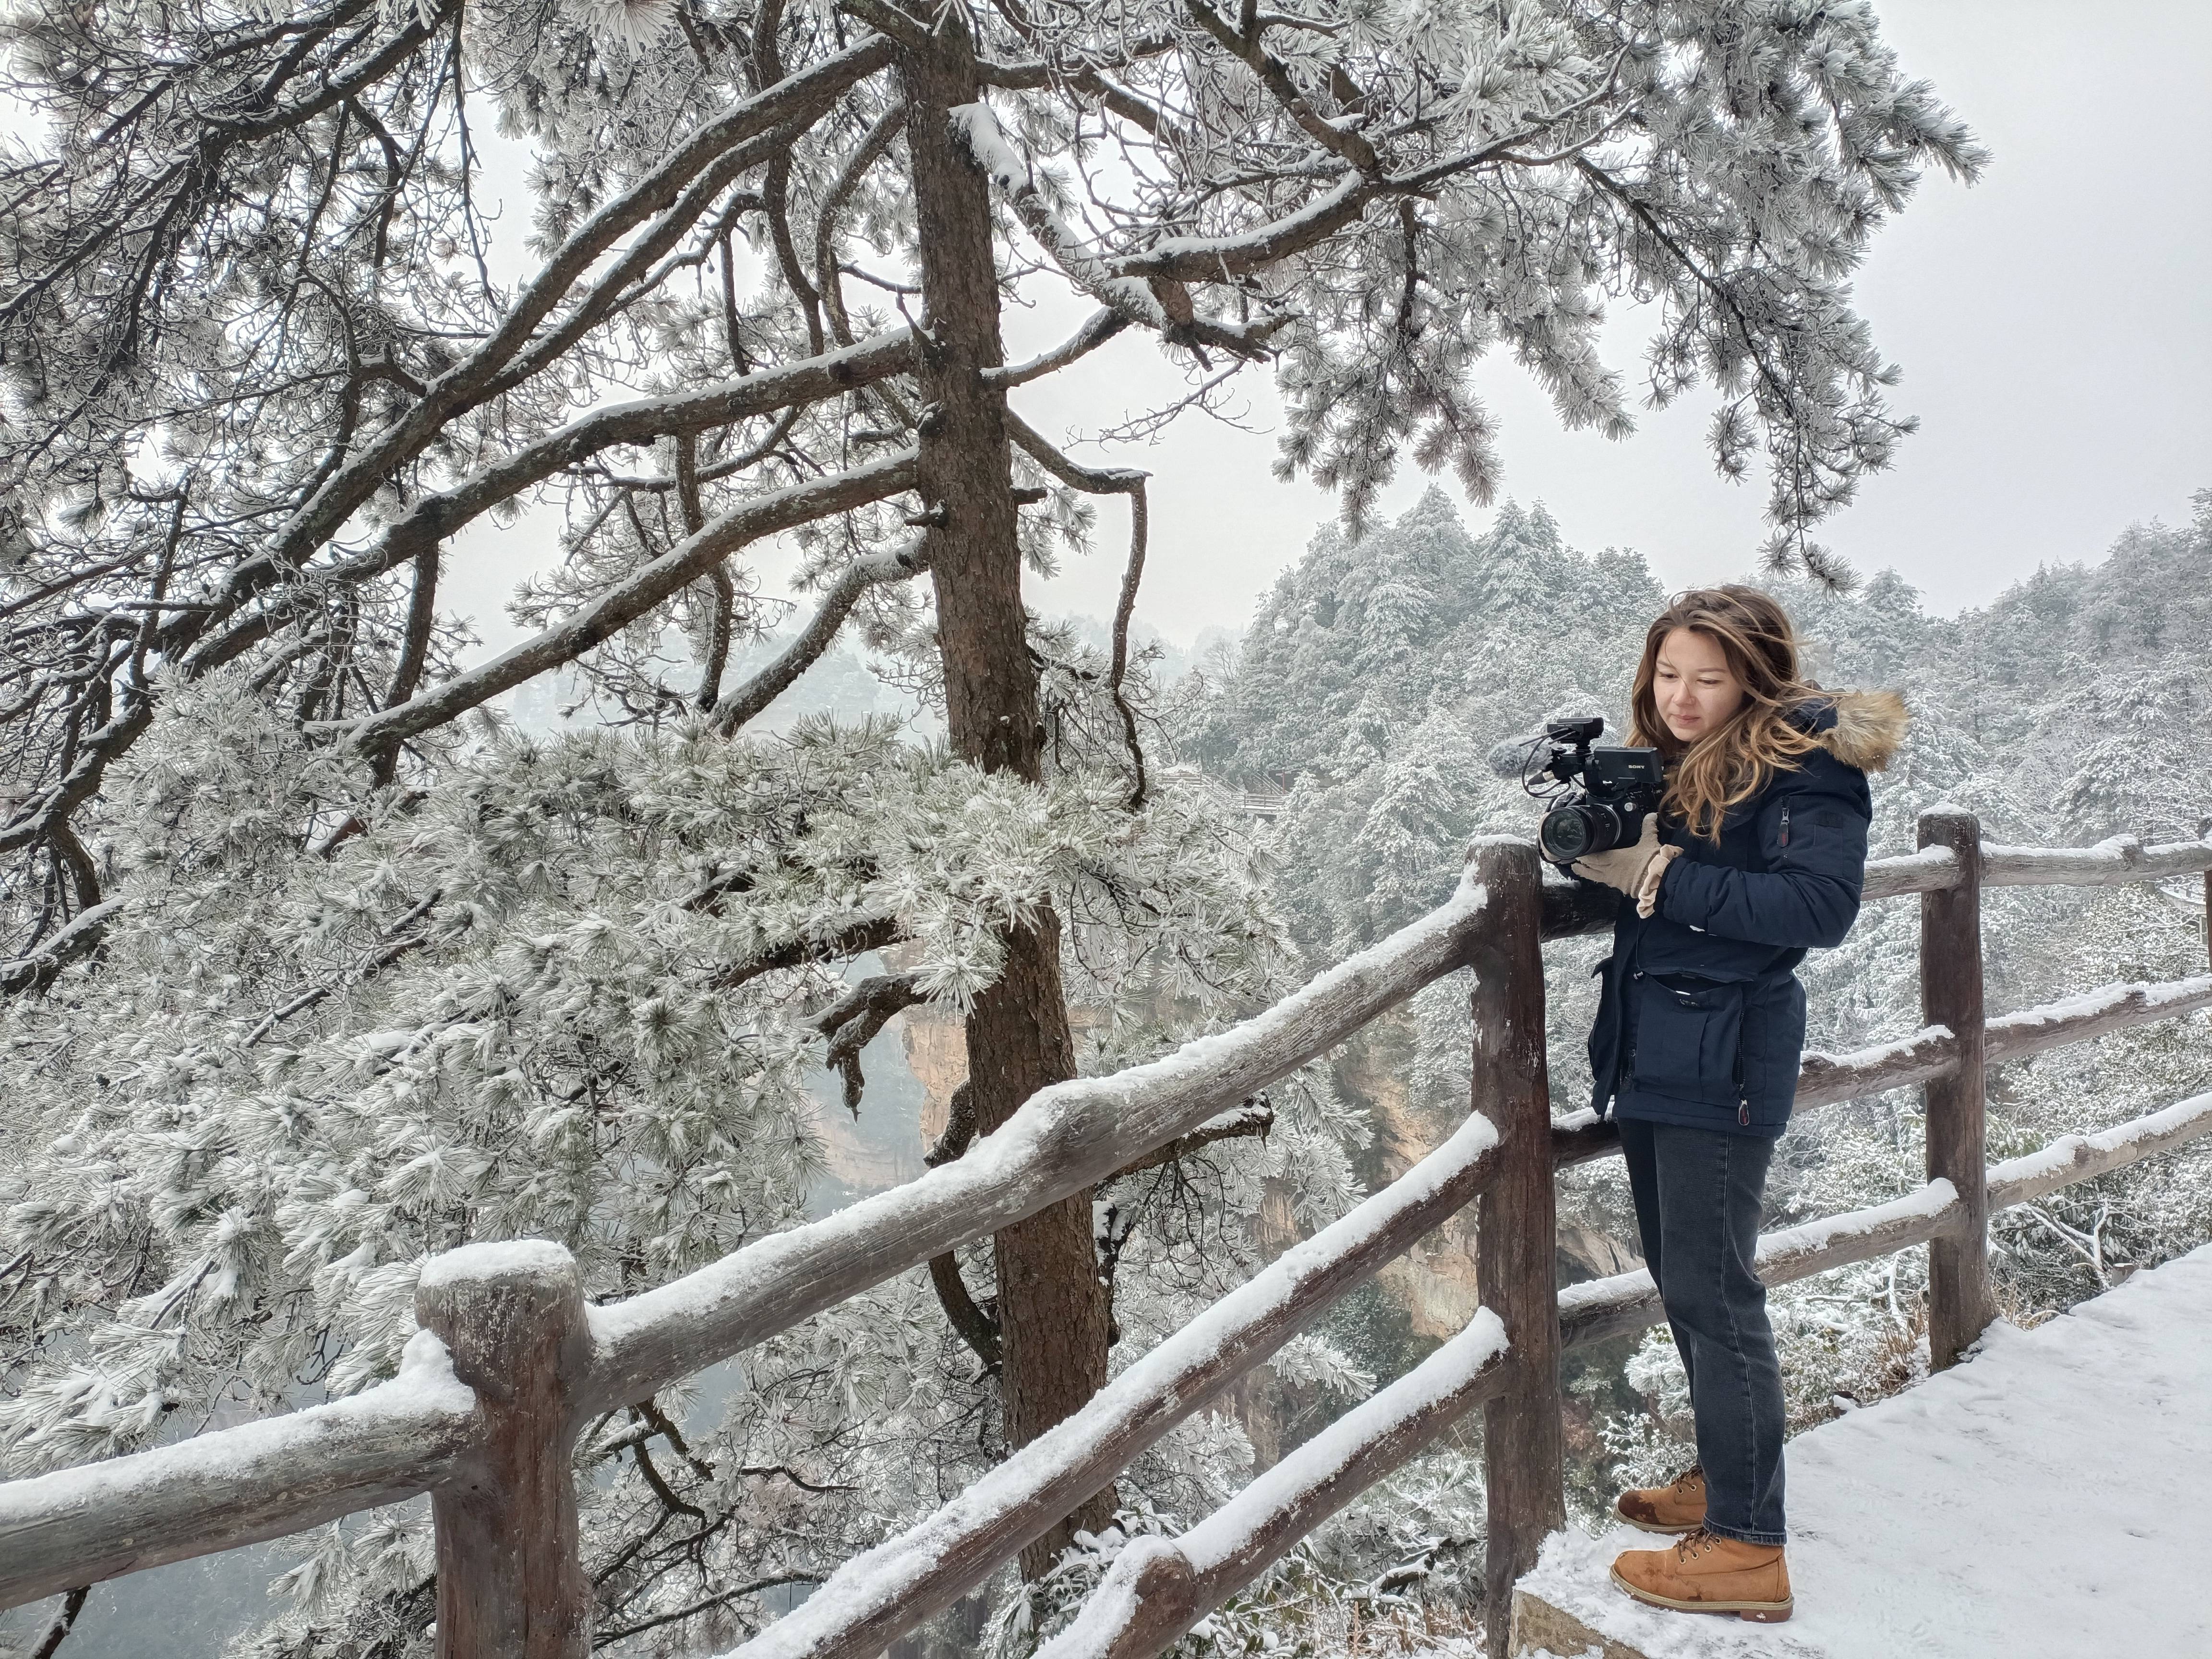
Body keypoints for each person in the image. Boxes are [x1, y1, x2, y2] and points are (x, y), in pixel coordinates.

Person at [1567, 585, 1908, 1624]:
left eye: (1708, 679)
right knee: (1685, 1281)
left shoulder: (1810, 761)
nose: (1681, 695)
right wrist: (1599, 849)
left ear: (1756, 678)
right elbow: (1675, 879)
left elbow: (1819, 907)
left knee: (1719, 1295)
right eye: (1668, 674)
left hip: (1723, 1059)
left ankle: (1750, 1551)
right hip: (1660, 1047)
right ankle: (1727, 1480)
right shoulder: (1686, 758)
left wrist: (1659, 874)